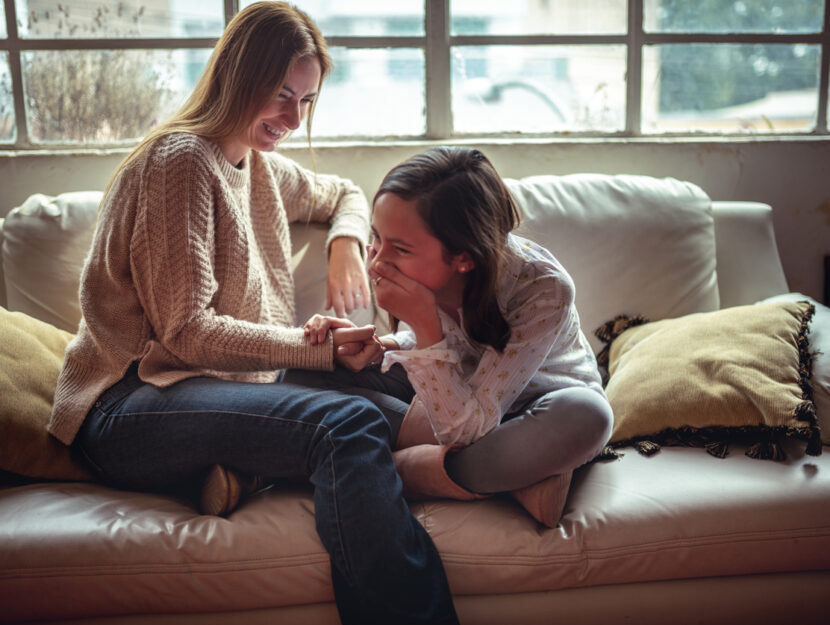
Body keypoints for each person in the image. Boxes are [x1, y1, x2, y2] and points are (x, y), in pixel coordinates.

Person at [46, 4, 460, 624]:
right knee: (344, 424)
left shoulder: (257, 162)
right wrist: (316, 348)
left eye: (307, 101)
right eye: (280, 94)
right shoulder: (182, 162)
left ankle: (525, 438)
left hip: (214, 388)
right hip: (129, 403)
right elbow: (186, 333)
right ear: (238, 76)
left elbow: (344, 192)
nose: (293, 118)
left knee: (394, 378)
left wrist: (345, 243)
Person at [287, 146, 613, 527]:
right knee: (302, 376)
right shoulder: (423, 270)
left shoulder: (542, 288)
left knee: (589, 416)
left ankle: (388, 470)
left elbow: (470, 425)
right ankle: (504, 479)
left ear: (463, 258)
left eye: (401, 248)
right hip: (453, 396)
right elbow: (450, 350)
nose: (377, 262)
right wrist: (379, 347)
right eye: (378, 238)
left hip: (531, 409)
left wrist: (424, 324)